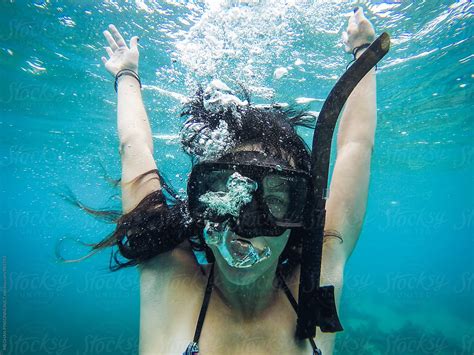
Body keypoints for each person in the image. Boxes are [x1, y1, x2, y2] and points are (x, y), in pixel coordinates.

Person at [96, 7, 377, 355]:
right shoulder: (168, 273)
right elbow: (133, 146)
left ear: (300, 212)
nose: (244, 226)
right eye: (223, 192)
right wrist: (125, 72)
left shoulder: (317, 275)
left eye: (276, 199)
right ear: (200, 202)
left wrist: (365, 52)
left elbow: (356, 148)